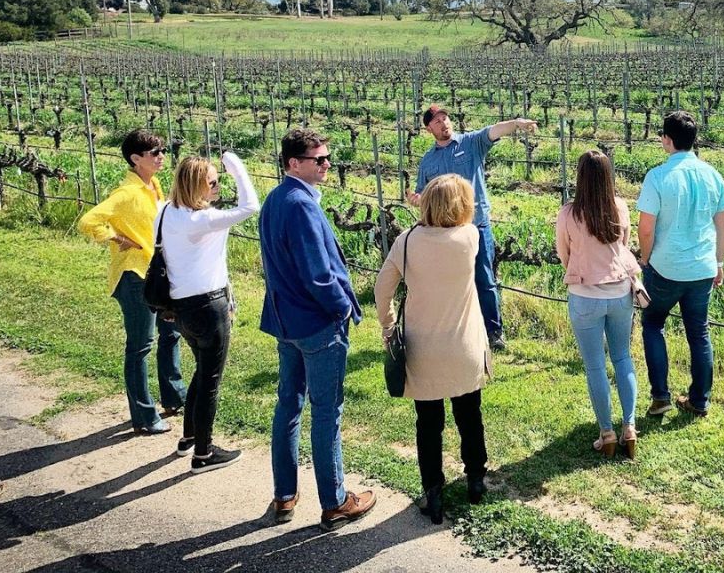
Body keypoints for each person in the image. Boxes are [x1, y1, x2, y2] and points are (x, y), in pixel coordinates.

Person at [259, 129, 376, 531]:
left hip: (285, 320)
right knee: (326, 411)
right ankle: (335, 500)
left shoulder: (276, 199)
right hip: (316, 324)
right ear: (294, 163)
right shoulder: (301, 205)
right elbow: (318, 274)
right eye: (319, 159)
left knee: (288, 405)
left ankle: (284, 494)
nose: (328, 165)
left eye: (328, 158)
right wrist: (343, 309)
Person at [376, 174, 490, 524]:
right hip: (464, 344)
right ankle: (475, 479)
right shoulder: (470, 237)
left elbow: (383, 288)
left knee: (428, 423)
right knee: (469, 414)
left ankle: (433, 491)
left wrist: (388, 324)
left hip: (422, 346)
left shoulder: (407, 242)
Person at [78, 129, 186, 435]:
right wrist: (113, 236)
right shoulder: (125, 193)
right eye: (154, 153)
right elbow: (89, 221)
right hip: (135, 277)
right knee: (140, 345)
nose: (161, 156)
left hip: (158, 273)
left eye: (162, 150)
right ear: (135, 159)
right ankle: (144, 415)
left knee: (171, 333)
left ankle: (174, 396)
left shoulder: (153, 185)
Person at [157, 152, 260, 472]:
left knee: (201, 372)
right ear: (195, 186)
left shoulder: (165, 212)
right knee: (211, 379)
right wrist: (239, 169)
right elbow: (251, 207)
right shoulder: (201, 219)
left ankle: (189, 436)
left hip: (181, 307)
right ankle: (204, 452)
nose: (218, 187)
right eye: (212, 183)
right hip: (209, 306)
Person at [407, 105, 537, 351]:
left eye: (445, 118)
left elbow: (493, 131)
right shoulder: (428, 161)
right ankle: (458, 329)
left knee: (484, 279)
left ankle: (493, 332)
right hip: (445, 233)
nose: (444, 123)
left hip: (476, 226)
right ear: (428, 129)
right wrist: (416, 200)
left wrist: (517, 123)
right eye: (437, 121)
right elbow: (423, 194)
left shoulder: (471, 143)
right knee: (451, 281)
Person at [636, 111, 724, 419]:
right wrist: (718, 262)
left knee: (653, 323)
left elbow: (646, 227)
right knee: (699, 333)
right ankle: (699, 400)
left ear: (667, 139)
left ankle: (660, 396)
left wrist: (645, 258)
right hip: (702, 267)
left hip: (666, 266)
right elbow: (723, 224)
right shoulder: (712, 174)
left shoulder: (658, 176)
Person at [555, 151, 640, 459]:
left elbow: (563, 255)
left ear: (579, 176)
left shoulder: (568, 213)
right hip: (620, 293)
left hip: (585, 296)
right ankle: (629, 427)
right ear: (608, 175)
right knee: (622, 358)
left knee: (595, 366)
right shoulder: (619, 207)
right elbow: (624, 246)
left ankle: (606, 433)